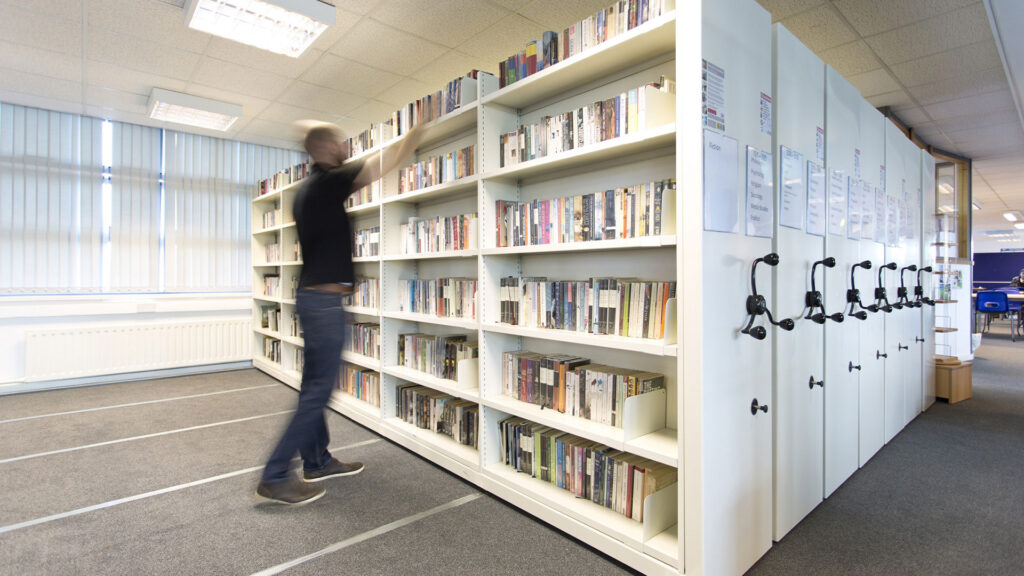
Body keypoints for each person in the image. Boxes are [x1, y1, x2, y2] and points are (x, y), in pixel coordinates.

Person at [256, 122, 422, 505]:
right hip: (323, 306)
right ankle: (276, 473)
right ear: (325, 148)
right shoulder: (329, 182)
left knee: (313, 387)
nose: (345, 146)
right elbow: (385, 164)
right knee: (318, 391)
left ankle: (317, 460)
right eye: (339, 142)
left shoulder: (306, 192)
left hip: (314, 300)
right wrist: (417, 131)